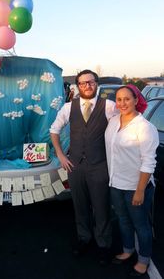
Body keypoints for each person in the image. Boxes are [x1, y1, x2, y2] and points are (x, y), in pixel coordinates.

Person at [50, 69, 117, 264]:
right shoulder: (68, 108)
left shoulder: (109, 106)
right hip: (75, 166)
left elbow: (123, 127)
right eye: (82, 83)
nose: (87, 86)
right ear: (77, 86)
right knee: (80, 206)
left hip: (100, 165)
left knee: (102, 207)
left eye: (91, 82)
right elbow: (54, 131)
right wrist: (61, 155)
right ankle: (84, 239)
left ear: (96, 84)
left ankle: (104, 244)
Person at [105, 84, 159, 276]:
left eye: (127, 99)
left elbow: (148, 163)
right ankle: (128, 250)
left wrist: (140, 190)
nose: (122, 103)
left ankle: (144, 259)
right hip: (116, 184)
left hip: (135, 186)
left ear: (136, 100)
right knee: (123, 220)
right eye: (119, 99)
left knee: (140, 224)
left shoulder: (144, 128)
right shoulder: (113, 121)